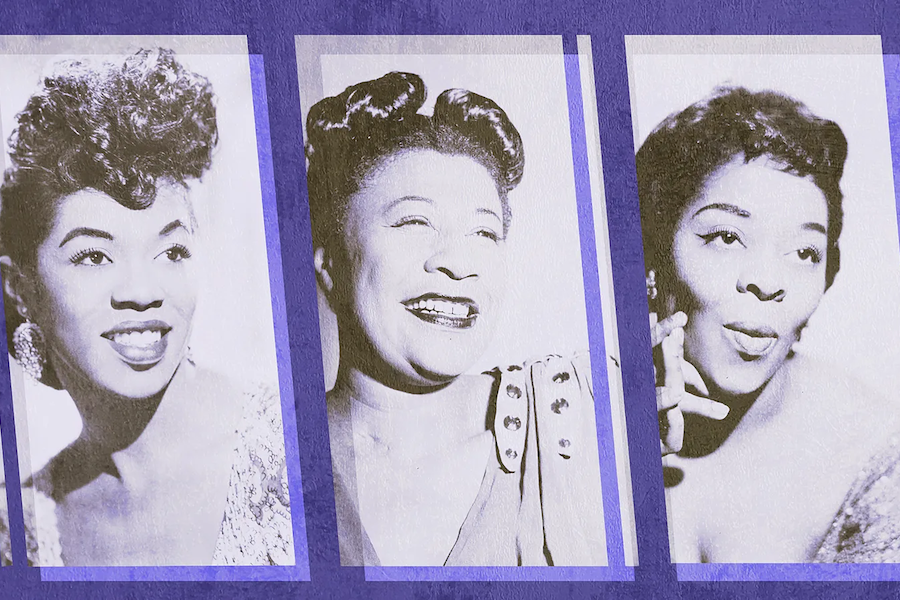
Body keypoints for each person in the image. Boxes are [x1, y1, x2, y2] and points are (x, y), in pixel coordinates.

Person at [0, 48, 293, 566]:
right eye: (94, 255)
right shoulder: (18, 531)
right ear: (20, 288)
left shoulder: (297, 447)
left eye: (170, 251)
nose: (142, 290)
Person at [306, 71, 605, 566]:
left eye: (484, 233)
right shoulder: (257, 457)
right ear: (331, 263)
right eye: (415, 221)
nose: (458, 263)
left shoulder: (577, 413)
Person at [639, 85, 900, 563]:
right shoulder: (576, 414)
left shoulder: (879, 457)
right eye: (726, 237)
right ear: (655, 258)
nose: (767, 283)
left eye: (803, 253)